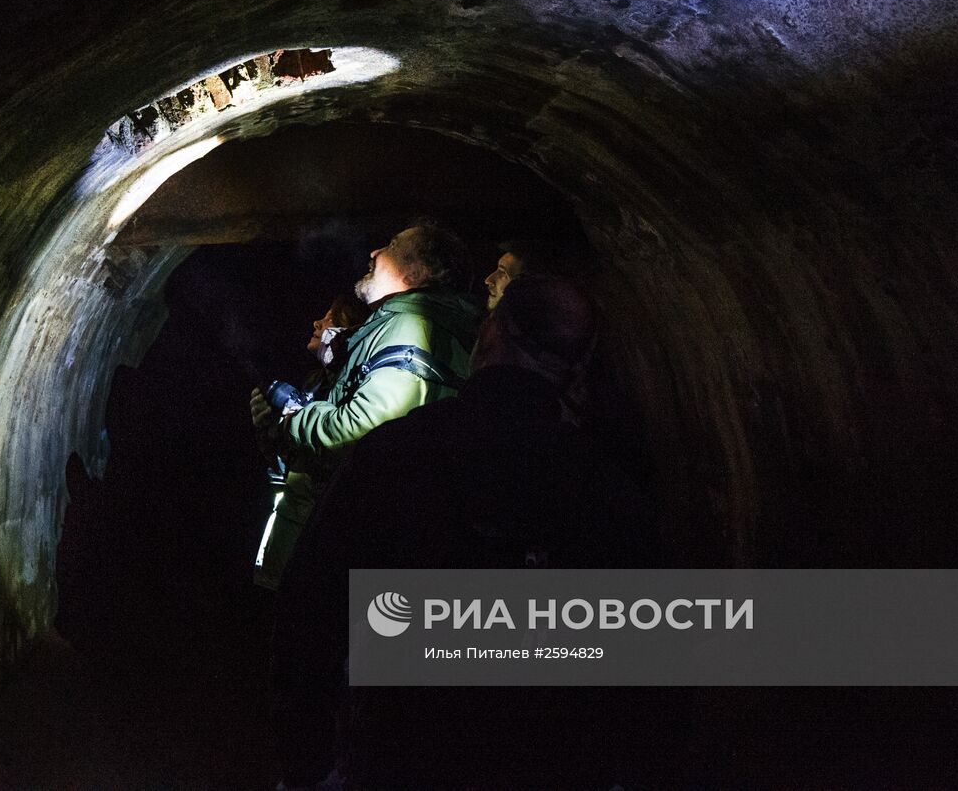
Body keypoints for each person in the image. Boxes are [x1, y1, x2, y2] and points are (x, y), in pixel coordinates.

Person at [272, 274, 664, 789]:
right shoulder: (605, 485)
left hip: (404, 752)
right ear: (577, 366)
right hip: (547, 762)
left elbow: (312, 608)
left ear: (489, 336)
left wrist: (308, 761)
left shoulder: (398, 452)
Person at [250, 220, 481, 590]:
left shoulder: (411, 324)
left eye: (390, 244)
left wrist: (294, 414)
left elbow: (363, 428)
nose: (374, 253)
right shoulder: (409, 324)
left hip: (357, 537)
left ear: (416, 272)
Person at [253, 294, 368, 588]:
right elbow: (283, 468)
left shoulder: (356, 391)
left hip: (325, 544)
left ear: (350, 332)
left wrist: (296, 415)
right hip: (287, 532)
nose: (318, 323)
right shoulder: (314, 383)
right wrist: (268, 427)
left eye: (332, 319)